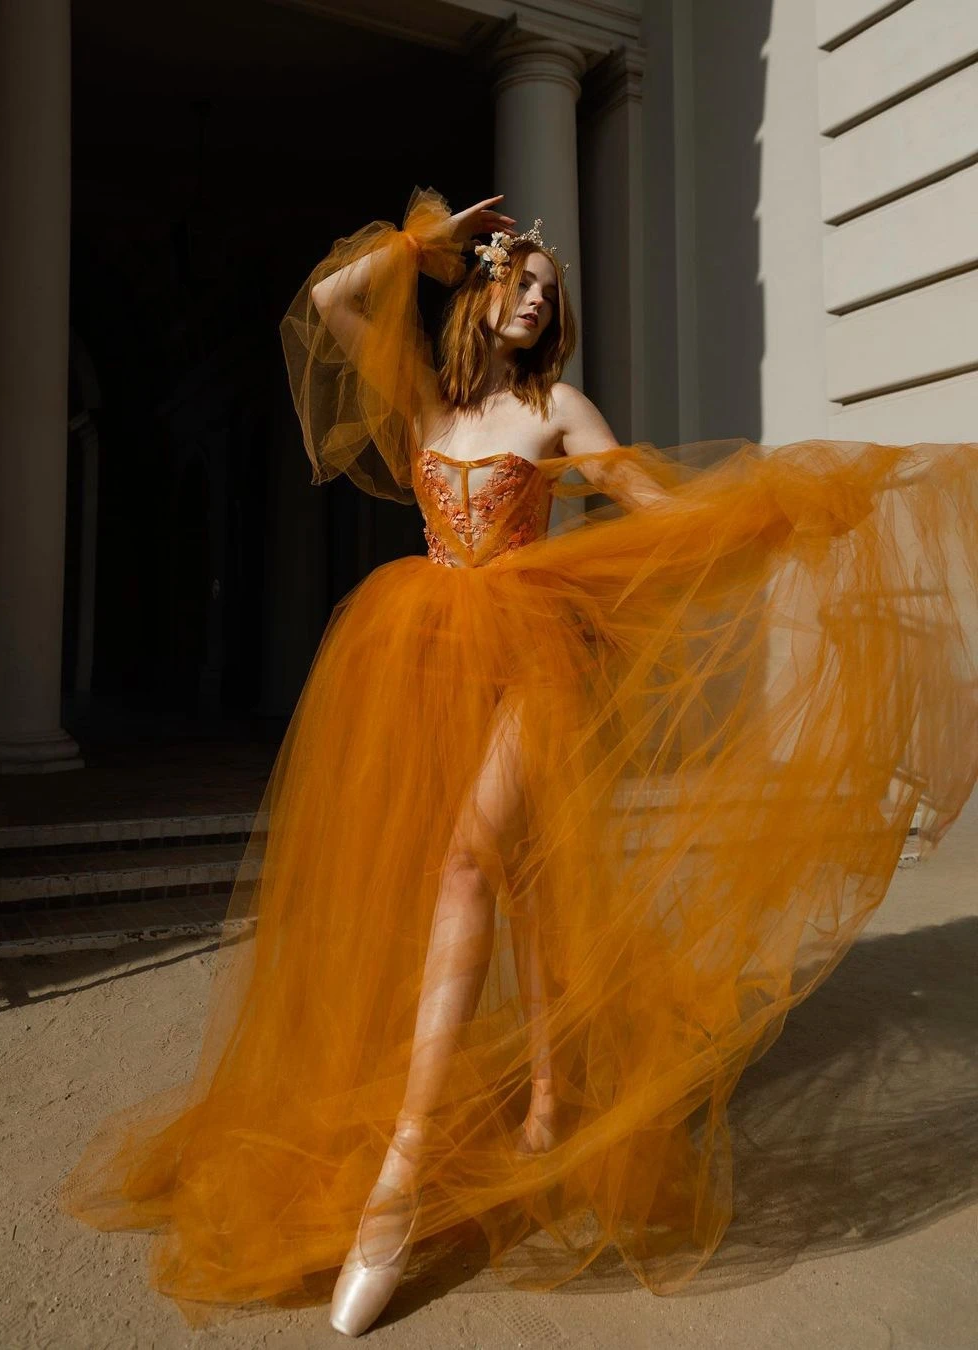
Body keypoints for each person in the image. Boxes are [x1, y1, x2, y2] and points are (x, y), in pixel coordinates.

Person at [60, 187, 978, 1339]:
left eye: (552, 297)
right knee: (532, 882)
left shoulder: (560, 412)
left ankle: (396, 1186)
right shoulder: (424, 403)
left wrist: (777, 512)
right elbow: (334, 301)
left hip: (536, 663)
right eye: (526, 283)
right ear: (487, 287)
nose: (540, 303)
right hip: (420, 657)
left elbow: (651, 502)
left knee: (469, 862)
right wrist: (417, 248)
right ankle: (547, 1098)